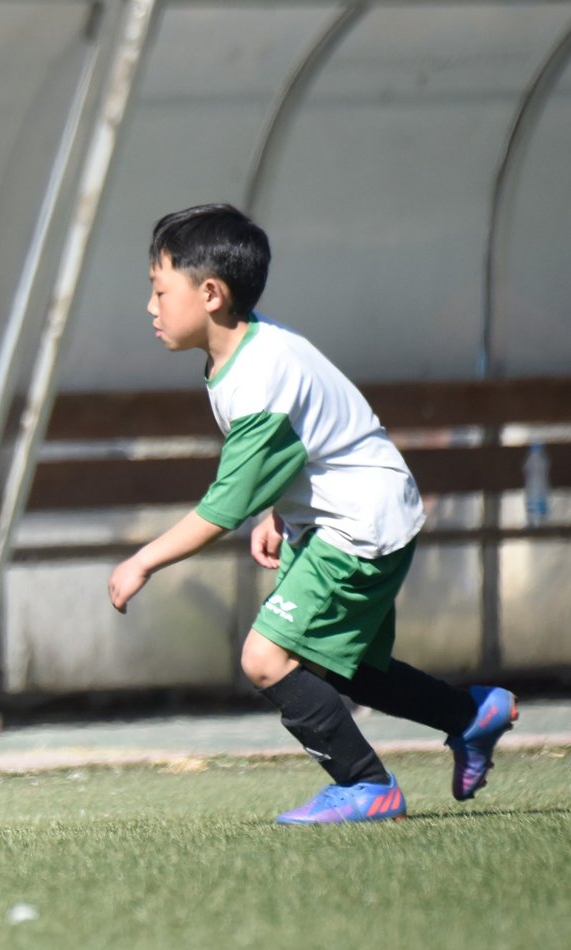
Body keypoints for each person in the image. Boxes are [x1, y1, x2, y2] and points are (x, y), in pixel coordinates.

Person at [107, 203, 516, 824]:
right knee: (342, 667)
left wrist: (144, 560)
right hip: (352, 511)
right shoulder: (244, 348)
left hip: (359, 524)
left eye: (159, 290)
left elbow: (223, 506)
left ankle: (367, 786)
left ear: (211, 294)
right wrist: (281, 510)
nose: (150, 306)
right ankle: (470, 715)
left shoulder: (259, 376)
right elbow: (313, 438)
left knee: (266, 658)